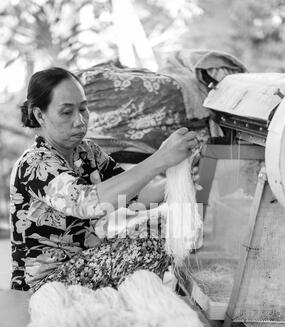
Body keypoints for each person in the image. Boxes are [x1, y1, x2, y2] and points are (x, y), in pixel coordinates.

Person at [10, 67, 199, 292]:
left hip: (84, 263)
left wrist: (184, 181)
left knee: (163, 226)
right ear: (40, 115)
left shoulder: (88, 152)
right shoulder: (35, 163)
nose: (80, 121)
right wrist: (160, 159)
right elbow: (88, 203)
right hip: (45, 283)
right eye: (67, 112)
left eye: (83, 109)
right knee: (151, 242)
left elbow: (135, 194)